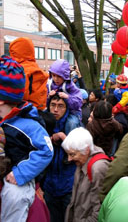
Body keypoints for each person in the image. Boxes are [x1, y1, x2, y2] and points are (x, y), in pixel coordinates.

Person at [0, 55, 54, 222]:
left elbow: (47, 149)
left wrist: (20, 173)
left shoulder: (28, 124)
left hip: (19, 181)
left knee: (14, 196)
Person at [42, 94, 81, 222]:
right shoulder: (42, 126)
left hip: (69, 188)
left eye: (60, 106)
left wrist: (64, 138)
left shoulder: (75, 127)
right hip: (49, 188)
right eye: (53, 105)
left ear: (67, 108)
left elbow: (80, 156)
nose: (55, 110)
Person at [59, 127, 110, 222]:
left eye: (72, 154)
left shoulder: (98, 169)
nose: (69, 159)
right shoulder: (83, 160)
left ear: (86, 150)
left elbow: (99, 211)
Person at [9, 37, 49, 110]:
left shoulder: (21, 70)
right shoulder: (35, 67)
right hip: (39, 107)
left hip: (25, 109)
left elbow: (21, 94)